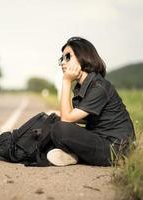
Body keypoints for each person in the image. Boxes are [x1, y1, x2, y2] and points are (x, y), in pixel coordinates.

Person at [46, 36, 136, 166]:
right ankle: (75, 156)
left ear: (83, 56)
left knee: (61, 128)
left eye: (68, 57)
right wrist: (58, 115)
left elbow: (66, 119)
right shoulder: (83, 86)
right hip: (99, 139)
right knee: (54, 120)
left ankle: (76, 156)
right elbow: (85, 117)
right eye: (61, 59)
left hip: (117, 149)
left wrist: (66, 81)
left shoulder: (99, 87)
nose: (63, 63)